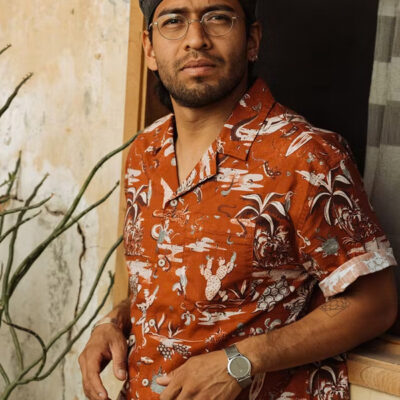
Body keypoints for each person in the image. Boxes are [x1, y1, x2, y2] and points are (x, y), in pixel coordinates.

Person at [78, 0, 398, 399]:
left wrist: (241, 361)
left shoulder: (306, 157)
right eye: (173, 21)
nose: (196, 39)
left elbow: (374, 304)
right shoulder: (146, 152)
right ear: (149, 48)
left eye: (218, 18)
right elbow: (166, 282)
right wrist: (113, 321)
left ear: (252, 40)